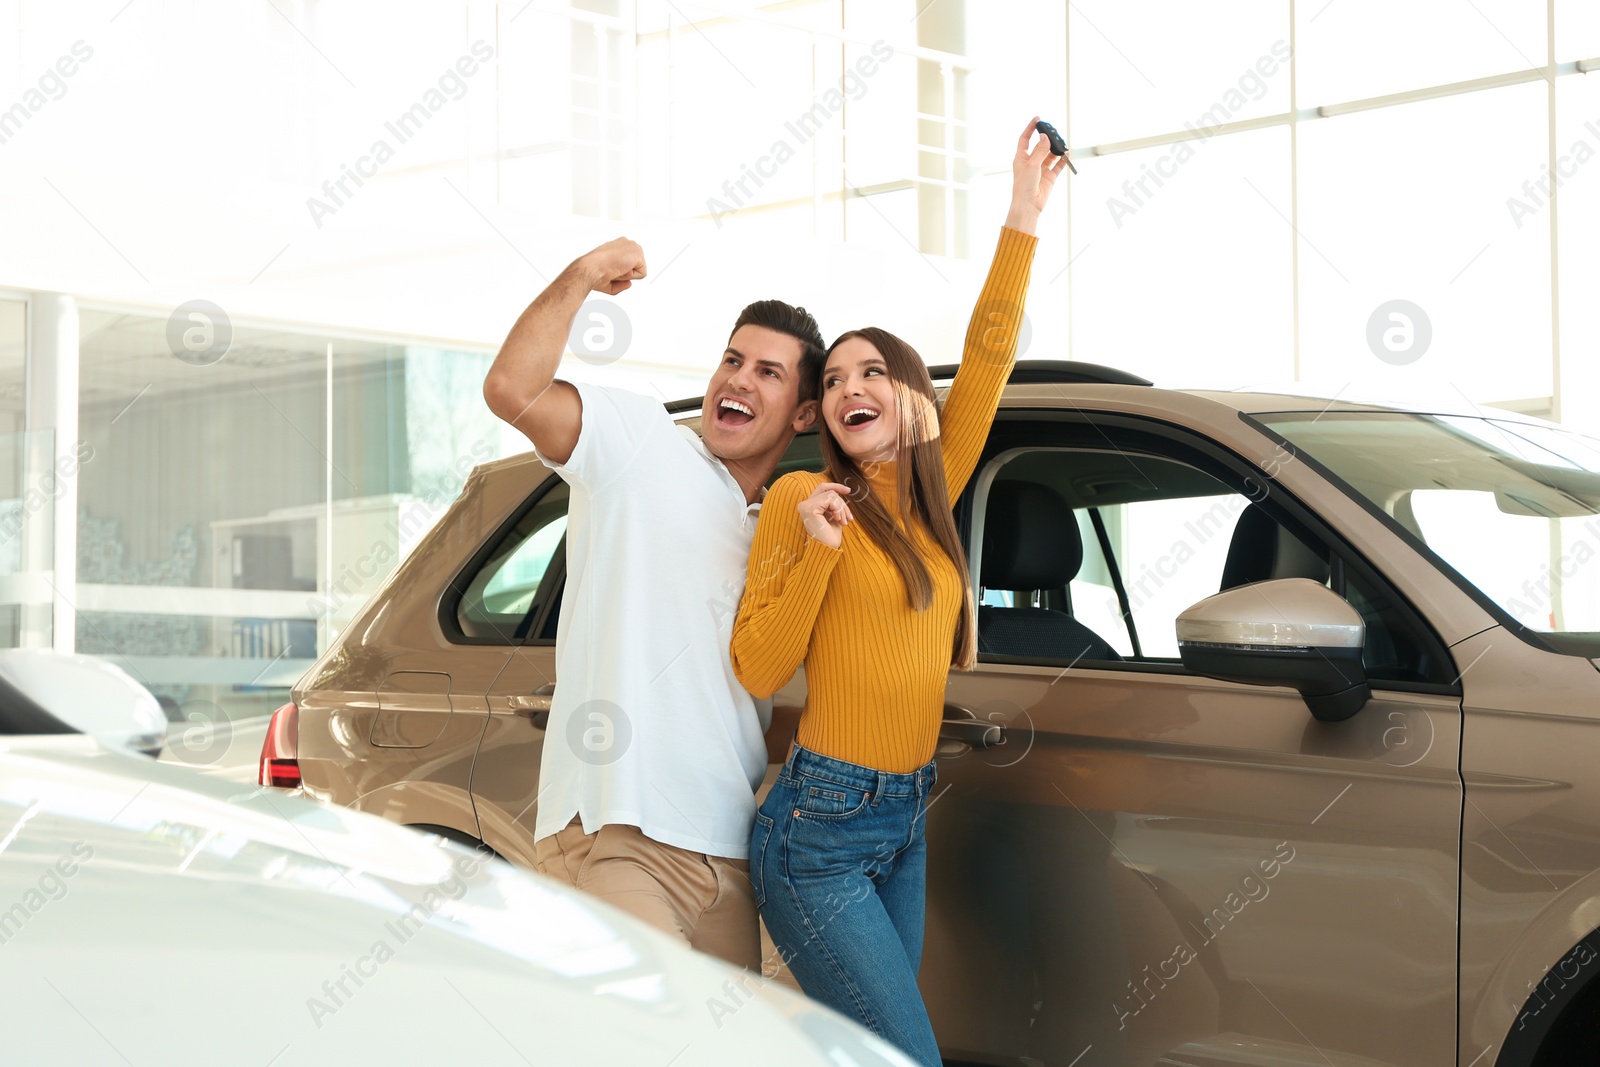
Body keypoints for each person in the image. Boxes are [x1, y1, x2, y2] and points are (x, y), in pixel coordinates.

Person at [729, 118, 1067, 1065]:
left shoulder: (932, 493)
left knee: (855, 1054)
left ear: (912, 393)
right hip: (816, 832)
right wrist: (822, 551)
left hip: (905, 812)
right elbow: (757, 661)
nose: (848, 388)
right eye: (833, 380)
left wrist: (1022, 216)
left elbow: (992, 347)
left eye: (872, 370)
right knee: (904, 1056)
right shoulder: (806, 497)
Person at [482, 242, 825, 970]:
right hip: (618, 836)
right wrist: (580, 278)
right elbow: (512, 386)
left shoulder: (786, 534)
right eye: (733, 360)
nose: (738, 379)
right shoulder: (641, 444)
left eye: (768, 372)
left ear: (802, 415)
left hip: (728, 856)